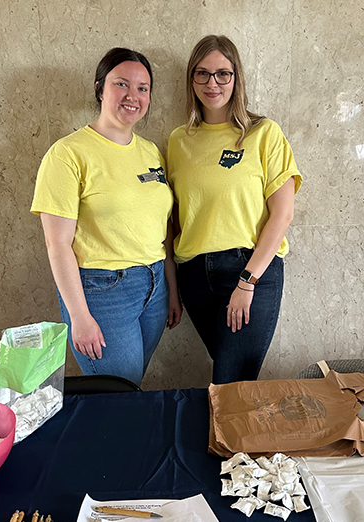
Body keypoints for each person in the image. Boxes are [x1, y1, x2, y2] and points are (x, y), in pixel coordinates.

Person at [31, 48, 181, 387]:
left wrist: (171, 290)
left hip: (154, 287)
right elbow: (57, 245)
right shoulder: (68, 154)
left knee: (129, 386)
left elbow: (164, 230)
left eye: (143, 88)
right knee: (118, 393)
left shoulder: (151, 151)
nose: (133, 96)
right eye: (122, 84)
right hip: (103, 293)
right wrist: (79, 317)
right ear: (100, 88)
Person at [167, 35, 302, 384]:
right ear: (191, 80)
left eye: (223, 74)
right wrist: (171, 286)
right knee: (233, 380)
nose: (212, 83)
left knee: (230, 384)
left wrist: (247, 281)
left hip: (249, 270)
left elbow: (282, 214)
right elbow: (174, 217)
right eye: (202, 74)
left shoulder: (264, 133)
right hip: (195, 276)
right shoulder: (178, 141)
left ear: (236, 78)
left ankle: (225, 441)